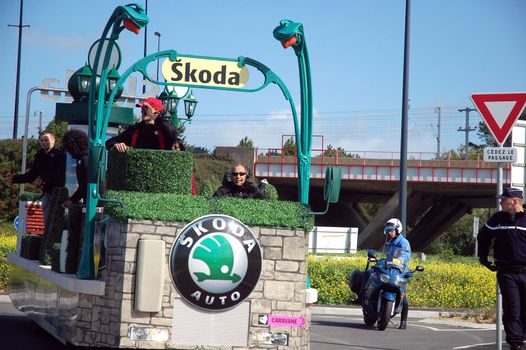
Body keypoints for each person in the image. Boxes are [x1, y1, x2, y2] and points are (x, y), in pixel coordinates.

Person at [478, 187, 526, 350]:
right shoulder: (497, 219)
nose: (500, 202)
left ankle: (522, 336)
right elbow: (483, 237)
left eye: (503, 200)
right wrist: (483, 258)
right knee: (512, 308)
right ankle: (515, 342)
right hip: (507, 272)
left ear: (515, 202)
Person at [8, 131, 66, 222]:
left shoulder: (60, 155)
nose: (44, 143)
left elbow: (59, 174)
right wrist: (15, 179)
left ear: (53, 140)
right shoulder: (39, 155)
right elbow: (33, 174)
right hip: (47, 192)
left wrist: (43, 178)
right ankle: (47, 235)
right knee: (46, 218)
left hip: (58, 192)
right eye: (42, 140)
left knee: (56, 219)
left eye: (46, 140)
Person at [105, 97, 177, 152]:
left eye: (146, 109)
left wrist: (153, 116)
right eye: (142, 109)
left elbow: (172, 132)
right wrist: (116, 144)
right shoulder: (134, 130)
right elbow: (109, 142)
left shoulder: (163, 130)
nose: (142, 111)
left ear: (157, 112)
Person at [383, 218, 412, 329]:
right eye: (388, 230)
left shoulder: (403, 242)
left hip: (400, 270)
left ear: (397, 230)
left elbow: (404, 257)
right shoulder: (390, 242)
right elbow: (387, 256)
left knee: (402, 293)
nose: (389, 232)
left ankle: (403, 321)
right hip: (389, 269)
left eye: (391, 230)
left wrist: (397, 261)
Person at [61, 129, 89, 207]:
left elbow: (89, 183)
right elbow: (84, 185)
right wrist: (72, 200)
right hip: (89, 202)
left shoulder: (84, 160)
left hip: (92, 204)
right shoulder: (82, 159)